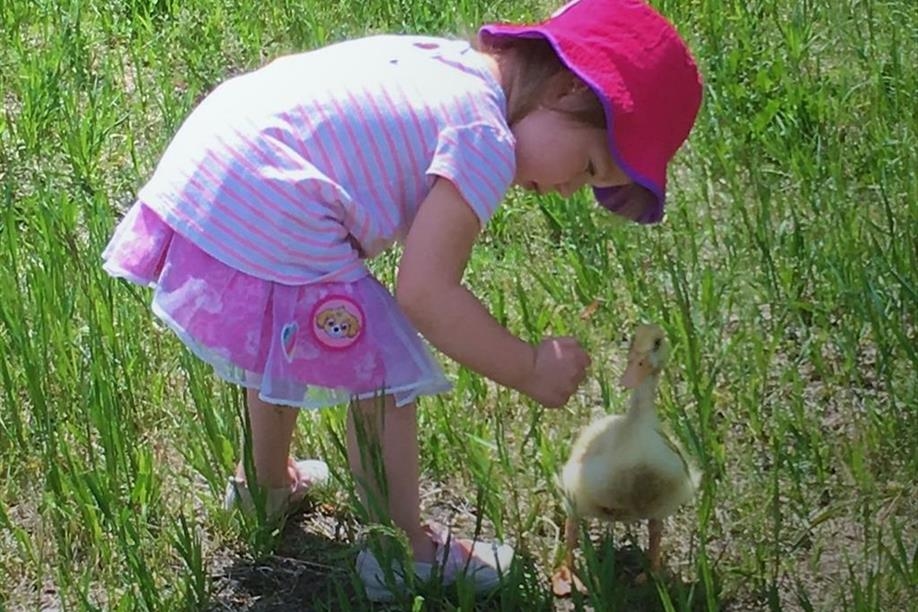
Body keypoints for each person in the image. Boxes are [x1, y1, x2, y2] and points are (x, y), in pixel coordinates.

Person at [101, 0, 702, 601]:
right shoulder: (485, 138)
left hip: (225, 150)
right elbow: (426, 292)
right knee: (382, 373)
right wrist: (529, 368)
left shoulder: (453, 67)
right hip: (274, 191)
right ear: (569, 87)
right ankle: (404, 550)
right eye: (591, 167)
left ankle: (264, 486)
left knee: (289, 330)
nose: (572, 190)